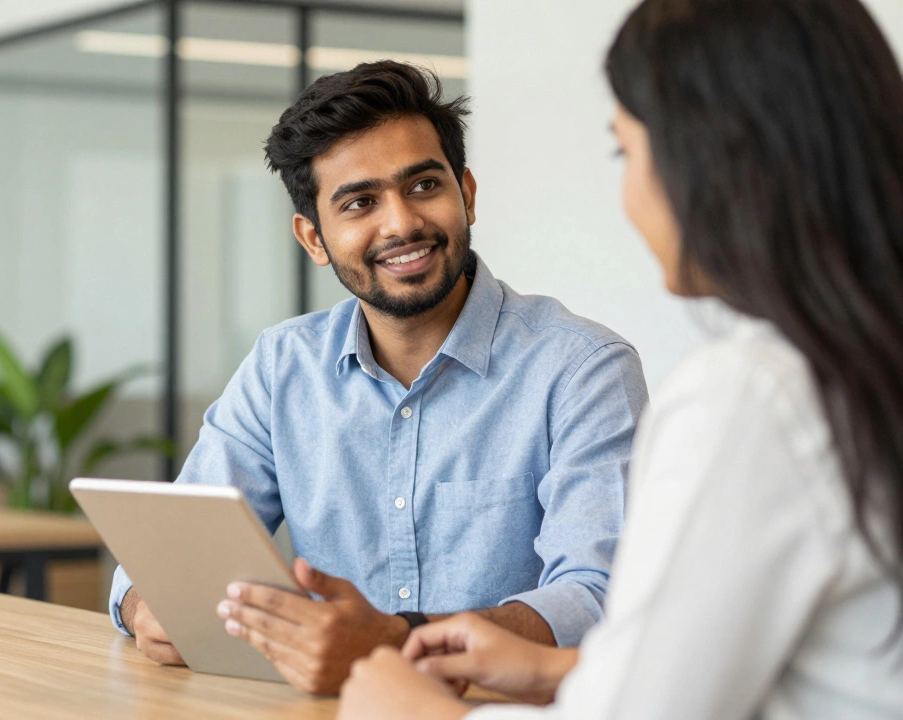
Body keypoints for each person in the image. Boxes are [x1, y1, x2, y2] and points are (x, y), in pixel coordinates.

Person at [336, 0, 903, 717]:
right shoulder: (855, 362)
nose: (628, 193)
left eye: (625, 150)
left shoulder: (751, 395)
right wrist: (562, 670)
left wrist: (415, 710)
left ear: (707, 158)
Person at [109, 61, 649, 696]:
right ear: (314, 237)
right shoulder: (283, 366)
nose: (400, 224)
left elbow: (597, 599)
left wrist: (398, 641)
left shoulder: (583, 370)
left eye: (422, 185)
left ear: (466, 193)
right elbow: (163, 558)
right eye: (360, 202)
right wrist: (150, 607)